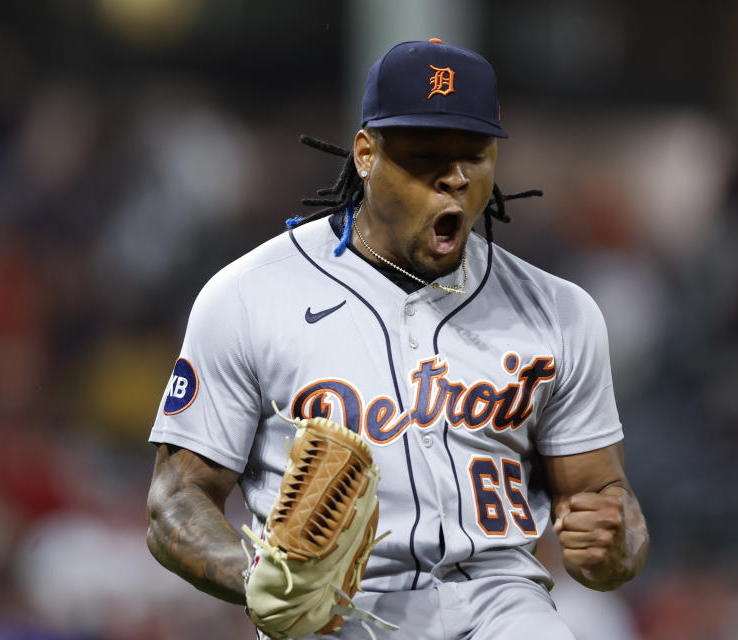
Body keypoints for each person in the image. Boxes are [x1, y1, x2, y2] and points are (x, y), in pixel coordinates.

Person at [146, 38, 649, 639]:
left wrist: (619, 543)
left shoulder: (560, 312)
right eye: (426, 155)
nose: (455, 178)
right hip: (336, 611)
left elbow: (603, 503)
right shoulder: (249, 297)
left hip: (501, 603)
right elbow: (175, 502)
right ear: (366, 153)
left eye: (475, 154)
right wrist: (256, 576)